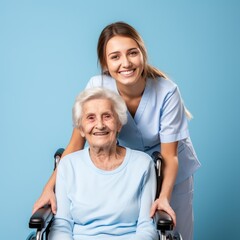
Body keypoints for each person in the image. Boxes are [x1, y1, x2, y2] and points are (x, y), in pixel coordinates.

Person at [33, 21, 200, 240]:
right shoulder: (98, 85)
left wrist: (164, 197)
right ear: (105, 63)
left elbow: (169, 156)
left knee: (170, 229)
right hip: (131, 173)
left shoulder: (167, 92)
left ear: (142, 54)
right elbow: (75, 144)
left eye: (132, 53)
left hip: (170, 170)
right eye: (115, 56)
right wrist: (49, 188)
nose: (125, 63)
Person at [48, 87, 158, 240]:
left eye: (107, 116)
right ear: (80, 128)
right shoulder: (68, 165)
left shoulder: (143, 164)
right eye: (90, 118)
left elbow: (147, 226)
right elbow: (62, 225)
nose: (100, 125)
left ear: (119, 124)